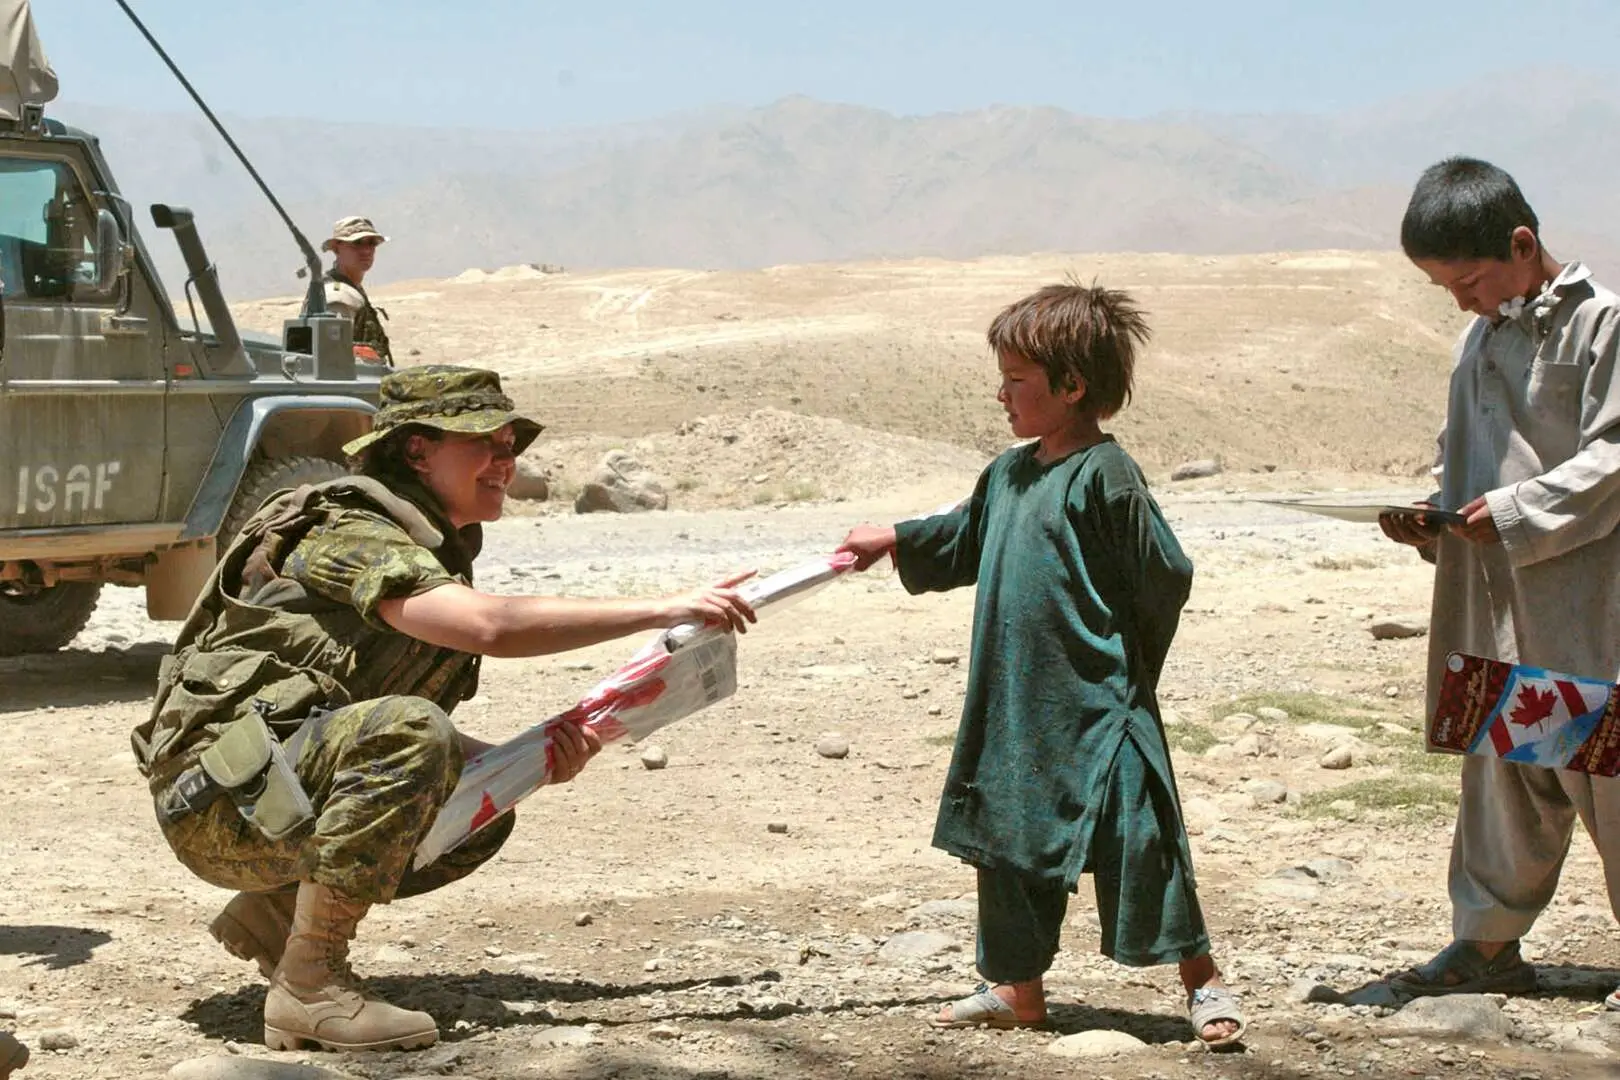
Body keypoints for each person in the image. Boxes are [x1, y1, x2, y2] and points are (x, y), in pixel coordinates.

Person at [130, 365, 757, 1053]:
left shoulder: (427, 539)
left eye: (509, 443)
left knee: (483, 802)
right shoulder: (349, 526)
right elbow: (487, 628)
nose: (503, 460)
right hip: (216, 800)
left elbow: (349, 718)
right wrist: (662, 608)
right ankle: (309, 989)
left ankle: (277, 918)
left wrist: (519, 764)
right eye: (480, 441)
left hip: (263, 784)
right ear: (416, 450)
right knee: (413, 735)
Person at [836, 284, 1246, 1046]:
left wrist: (1124, 668)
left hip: (1101, 701)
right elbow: (961, 538)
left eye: (1017, 380)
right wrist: (890, 538)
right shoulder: (1009, 474)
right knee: (1007, 837)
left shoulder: (1106, 474)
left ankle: (1203, 981)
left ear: (1072, 385)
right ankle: (1018, 991)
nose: (1002, 395)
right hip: (1016, 696)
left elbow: (1164, 575)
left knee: (1142, 835)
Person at [1379, 157, 1620, 1010]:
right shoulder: (1478, 339)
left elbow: (1614, 457)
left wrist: (1515, 509)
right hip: (1496, 602)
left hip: (1587, 604)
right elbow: (1466, 457)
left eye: (1471, 281)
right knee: (1504, 768)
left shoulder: (1605, 328)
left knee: (1609, 768)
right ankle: (1486, 944)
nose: (1464, 302)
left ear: (1523, 244)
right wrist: (1432, 514)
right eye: (1448, 289)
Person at [322, 215, 394, 366]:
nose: (366, 250)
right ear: (336, 248)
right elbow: (333, 359)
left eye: (371, 243)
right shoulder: (338, 296)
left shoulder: (353, 290)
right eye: (356, 243)